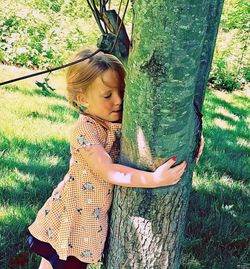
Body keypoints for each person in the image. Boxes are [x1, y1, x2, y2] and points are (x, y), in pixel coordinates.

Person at [27, 49, 193, 269]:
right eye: (107, 95)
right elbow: (108, 171)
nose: (119, 100)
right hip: (72, 220)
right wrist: (153, 179)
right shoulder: (84, 132)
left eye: (122, 91)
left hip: (87, 220)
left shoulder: (118, 123)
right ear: (82, 98)